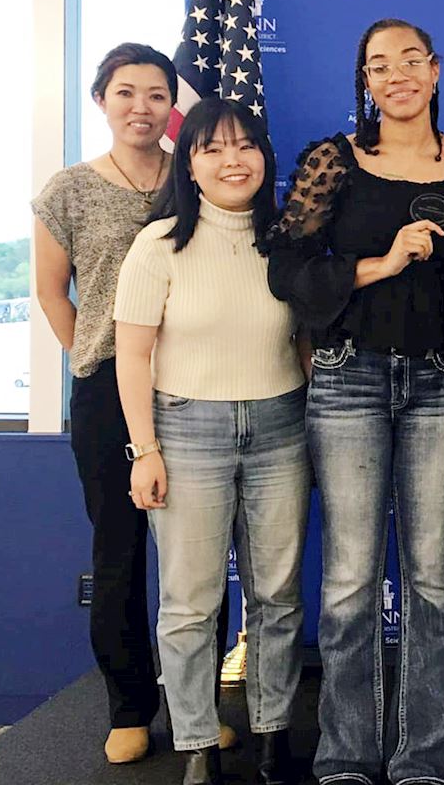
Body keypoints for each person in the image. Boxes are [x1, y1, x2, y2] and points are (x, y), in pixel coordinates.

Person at [262, 18, 444, 785]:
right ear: (365, 81)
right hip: (348, 376)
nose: (395, 76)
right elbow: (287, 265)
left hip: (441, 382)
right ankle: (347, 752)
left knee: (433, 576)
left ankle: (425, 751)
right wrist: (378, 263)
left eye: (409, 62)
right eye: (378, 66)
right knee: (350, 579)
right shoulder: (335, 160)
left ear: (435, 73)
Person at [32, 42, 233, 765]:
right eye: (126, 93)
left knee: (199, 561)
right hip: (110, 394)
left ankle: (196, 707)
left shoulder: (198, 178)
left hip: (200, 384)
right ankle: (128, 707)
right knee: (119, 553)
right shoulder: (70, 189)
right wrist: (88, 356)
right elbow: (53, 291)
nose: (142, 107)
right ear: (102, 100)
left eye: (155, 94)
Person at [113, 98, 307, 785]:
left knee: (277, 598)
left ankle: (273, 735)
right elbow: (132, 356)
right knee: (190, 601)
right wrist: (146, 450)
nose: (232, 160)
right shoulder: (158, 244)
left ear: (264, 156)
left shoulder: (289, 238)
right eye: (213, 148)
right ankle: (196, 740)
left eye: (245, 145)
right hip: (187, 431)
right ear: (189, 163)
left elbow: (306, 339)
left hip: (282, 427)